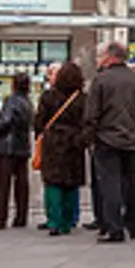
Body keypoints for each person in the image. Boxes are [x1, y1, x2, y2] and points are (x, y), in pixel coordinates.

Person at [83, 41, 135, 243]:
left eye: (100, 56)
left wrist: (90, 137)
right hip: (132, 139)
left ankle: (114, 227)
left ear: (109, 57)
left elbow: (91, 114)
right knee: (132, 182)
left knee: (110, 184)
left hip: (107, 140)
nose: (98, 60)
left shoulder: (100, 81)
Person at [34, 61, 88, 236]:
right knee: (71, 182)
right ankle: (69, 220)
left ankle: (54, 220)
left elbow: (39, 121)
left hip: (53, 142)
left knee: (53, 182)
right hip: (75, 142)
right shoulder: (82, 98)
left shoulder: (48, 96)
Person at [0, 74, 34, 229]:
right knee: (22, 182)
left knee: (3, 184)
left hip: (8, 145)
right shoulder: (28, 102)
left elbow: (6, 120)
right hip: (23, 145)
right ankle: (21, 217)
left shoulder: (11, 100)